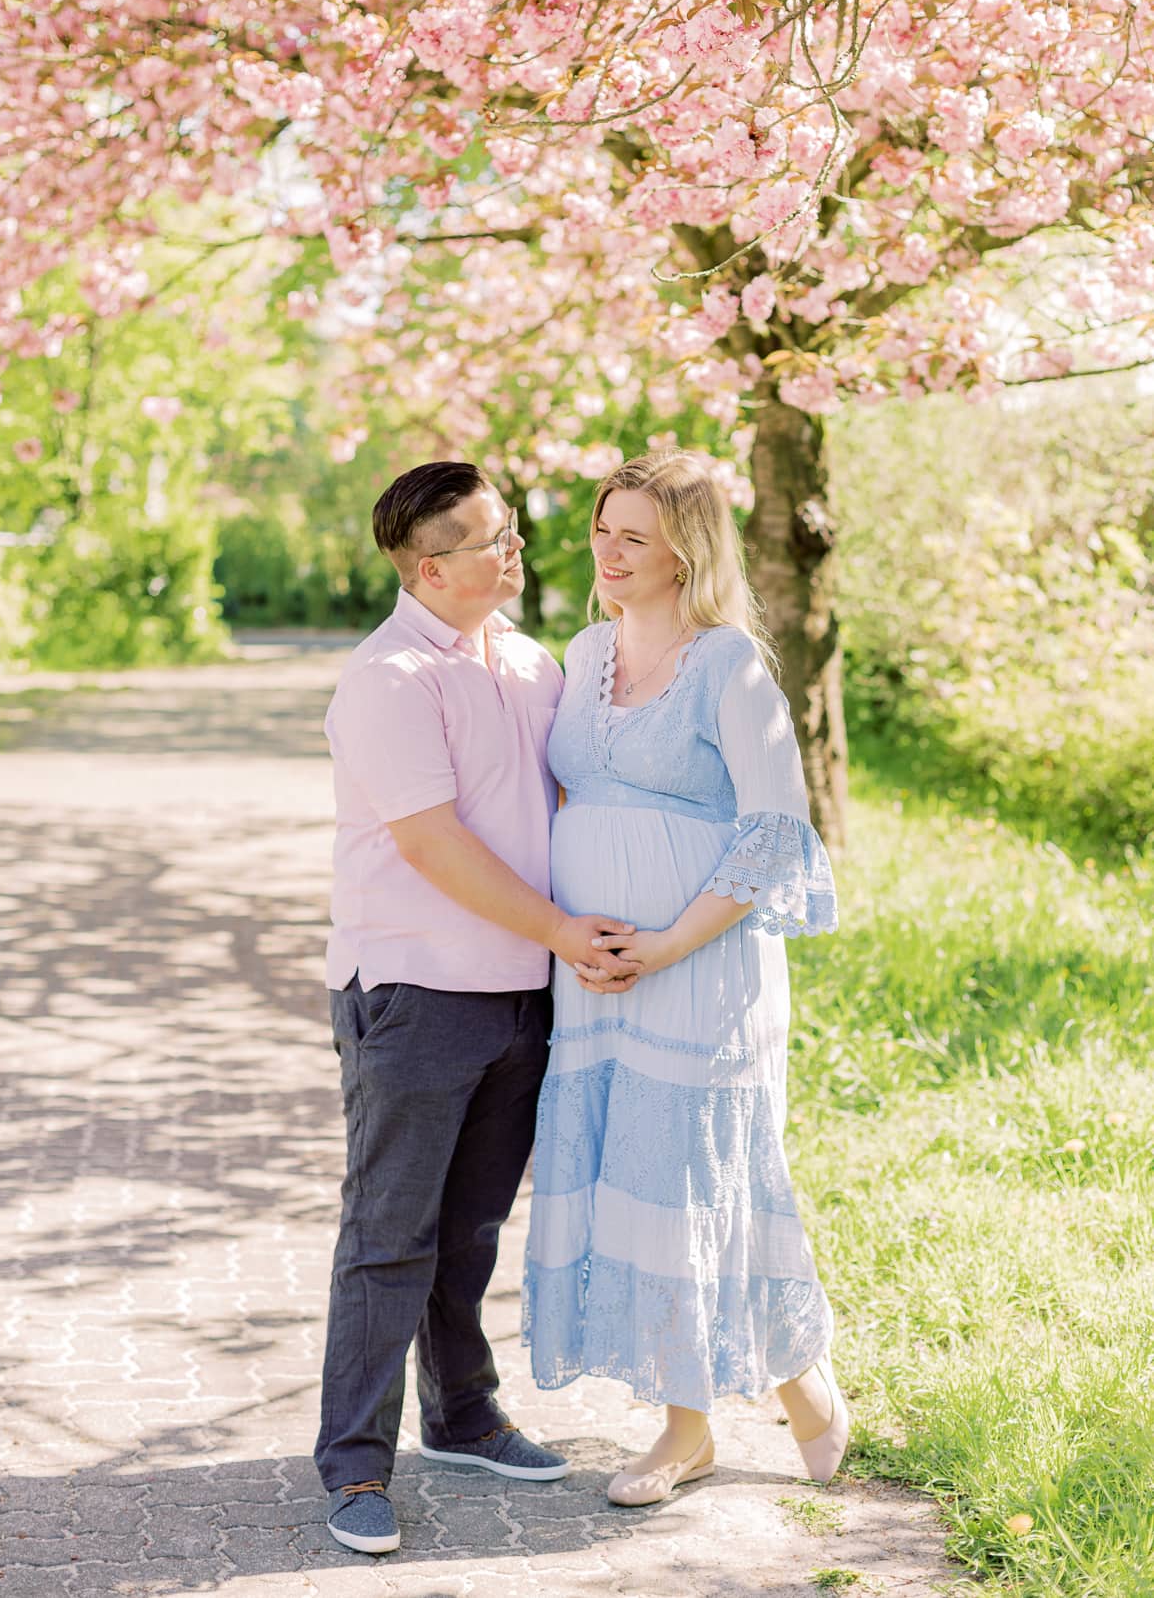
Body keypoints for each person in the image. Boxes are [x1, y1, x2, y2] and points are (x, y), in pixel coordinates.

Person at [316, 461, 637, 1555]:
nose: (515, 551)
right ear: (427, 566)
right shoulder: (389, 677)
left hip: (518, 997)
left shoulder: (532, 661)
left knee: (470, 1230)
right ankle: (356, 1467)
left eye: (512, 530)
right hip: (413, 992)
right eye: (488, 539)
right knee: (388, 1237)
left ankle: (463, 1416)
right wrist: (560, 931)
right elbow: (430, 839)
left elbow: (560, 803)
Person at [522, 448, 847, 1506]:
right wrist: (574, 933)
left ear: (684, 552)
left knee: (693, 1183)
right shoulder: (580, 648)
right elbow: (571, 803)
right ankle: (790, 1376)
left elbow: (772, 832)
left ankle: (688, 1429)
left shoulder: (729, 665)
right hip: (596, 970)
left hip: (699, 971)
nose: (607, 553)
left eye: (632, 538)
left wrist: (661, 944)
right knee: (633, 1182)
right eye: (601, 531)